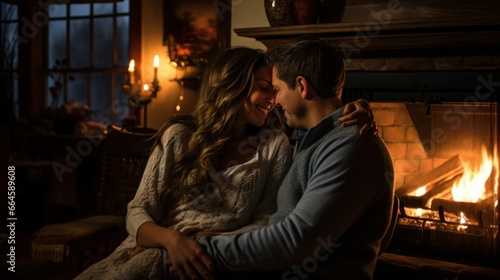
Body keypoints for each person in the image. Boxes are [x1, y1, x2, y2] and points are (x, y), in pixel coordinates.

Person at [74, 46, 375, 280]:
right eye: (264, 87)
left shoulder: (275, 146)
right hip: (153, 246)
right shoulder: (178, 135)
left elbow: (266, 219)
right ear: (233, 86)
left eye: (276, 89)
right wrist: (171, 241)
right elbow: (139, 210)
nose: (273, 99)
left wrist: (206, 240)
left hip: (215, 258)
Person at [170, 36, 395, 280]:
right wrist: (204, 240)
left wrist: (197, 250)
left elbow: (294, 241)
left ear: (302, 86)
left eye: (276, 90)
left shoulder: (349, 146)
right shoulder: (309, 138)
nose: (274, 101)